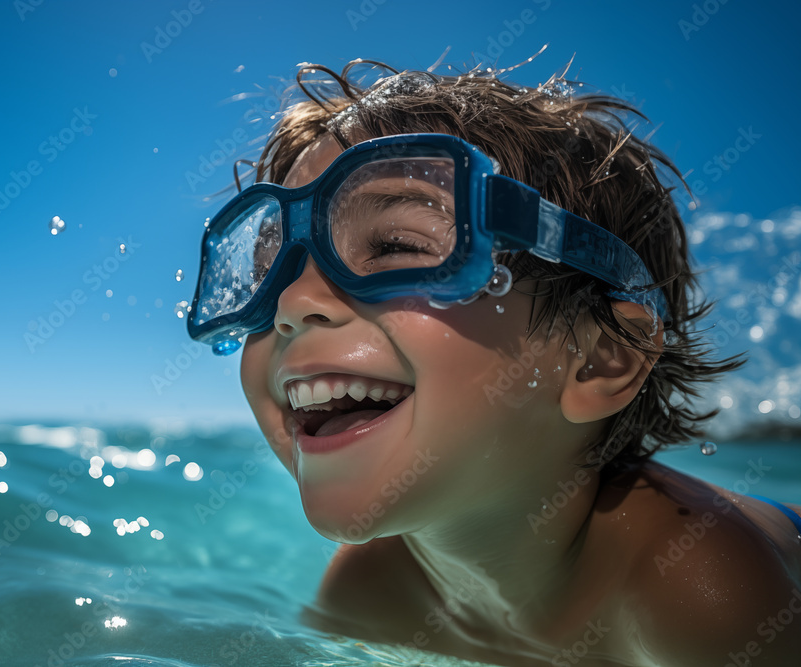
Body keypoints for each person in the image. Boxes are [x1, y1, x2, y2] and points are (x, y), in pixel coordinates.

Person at [186, 58, 801, 666]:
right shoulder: (366, 594)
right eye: (270, 271)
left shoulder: (698, 585)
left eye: (397, 246)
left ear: (598, 361)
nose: (292, 304)